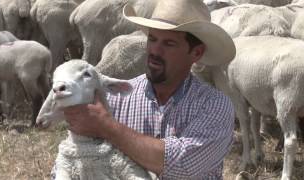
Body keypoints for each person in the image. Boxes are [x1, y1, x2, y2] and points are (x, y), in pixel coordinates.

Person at [56, 0, 236, 179]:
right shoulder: (115, 98)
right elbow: (72, 163)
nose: (155, 51)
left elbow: (183, 166)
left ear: (196, 53)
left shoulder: (214, 105)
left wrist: (107, 127)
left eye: (169, 44)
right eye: (152, 39)